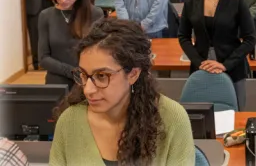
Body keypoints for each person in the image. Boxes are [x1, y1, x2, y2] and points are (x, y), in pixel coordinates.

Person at [50, 19, 195, 165]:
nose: (88, 90)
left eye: (101, 76)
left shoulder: (172, 120)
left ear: (133, 74)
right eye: (83, 74)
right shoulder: (69, 122)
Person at [178, 0, 256, 111]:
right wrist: (199, 62)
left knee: (235, 115)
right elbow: (183, 36)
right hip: (201, 67)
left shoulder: (236, 0)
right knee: (201, 113)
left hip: (232, 67)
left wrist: (224, 65)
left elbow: (250, 39)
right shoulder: (192, 0)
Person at [38, 0, 103, 89]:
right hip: (57, 81)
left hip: (88, 80)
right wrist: (72, 72)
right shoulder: (45, 16)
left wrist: (84, 74)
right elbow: (43, 58)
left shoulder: (95, 14)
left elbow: (99, 52)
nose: (62, 0)